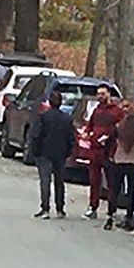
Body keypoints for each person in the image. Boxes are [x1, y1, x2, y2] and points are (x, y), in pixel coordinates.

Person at [103, 100, 134, 231]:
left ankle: (110, 217)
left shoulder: (119, 127)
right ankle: (129, 218)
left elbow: (108, 142)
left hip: (119, 161)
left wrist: (108, 157)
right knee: (131, 191)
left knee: (114, 189)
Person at [82, 84, 125, 220]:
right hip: (95, 151)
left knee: (111, 181)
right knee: (94, 180)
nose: (100, 96)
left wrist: (111, 137)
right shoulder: (96, 111)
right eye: (98, 94)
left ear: (109, 95)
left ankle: (111, 209)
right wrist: (87, 134)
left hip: (109, 151)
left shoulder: (117, 112)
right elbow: (90, 126)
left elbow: (121, 129)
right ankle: (92, 207)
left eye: (103, 93)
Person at [32, 91, 75, 219]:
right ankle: (60, 208)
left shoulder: (44, 117)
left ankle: (45, 208)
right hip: (60, 153)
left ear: (49, 103)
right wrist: (68, 151)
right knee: (59, 181)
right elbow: (70, 137)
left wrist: (36, 151)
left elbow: (37, 135)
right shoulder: (66, 119)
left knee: (45, 180)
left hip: (45, 152)